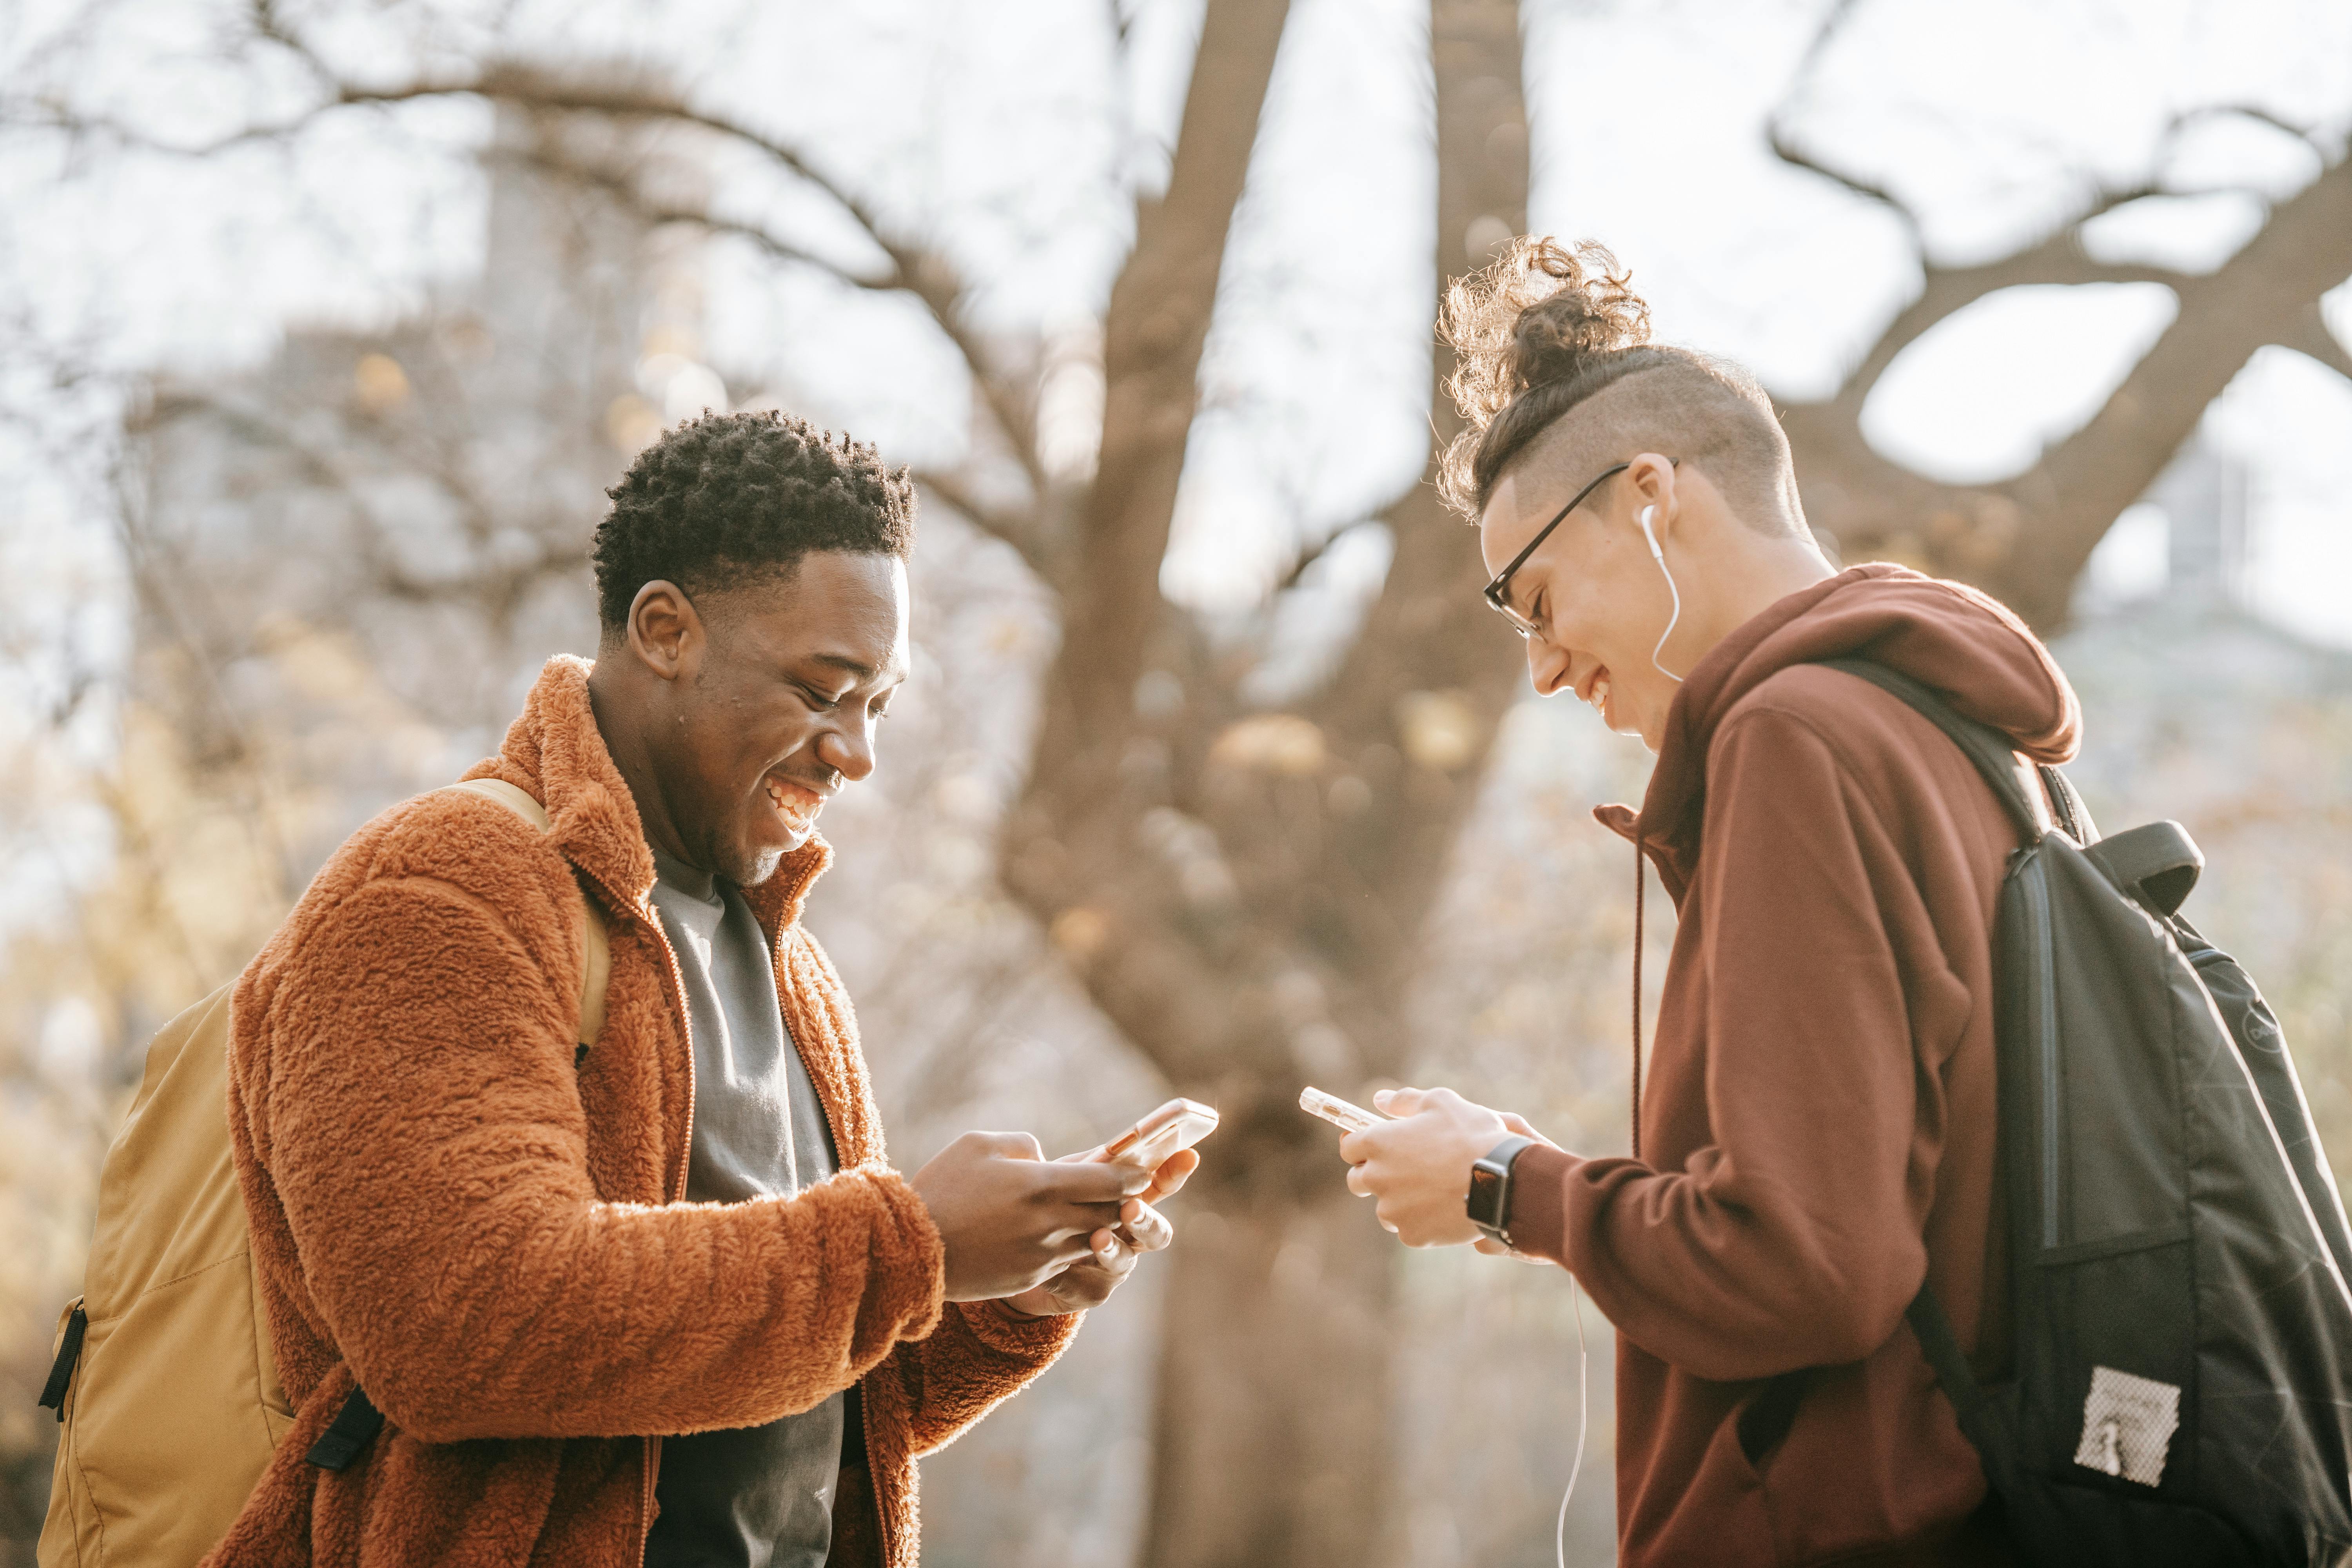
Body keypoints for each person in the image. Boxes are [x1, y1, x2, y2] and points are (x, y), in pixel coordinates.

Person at [211, 411, 1193, 1567]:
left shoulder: (795, 969)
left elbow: (807, 1398)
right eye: (826, 690)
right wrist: (912, 1247)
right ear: (666, 630)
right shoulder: (439, 891)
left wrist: (1006, 1294)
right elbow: (463, 1327)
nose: (859, 752)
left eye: (880, 704)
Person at [1339, 239, 2075, 1567]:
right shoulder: (1947, 732)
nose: (1550, 668)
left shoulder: (1796, 740)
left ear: (1651, 495)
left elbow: (1810, 1266)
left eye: (1539, 602)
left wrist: (1513, 1189)